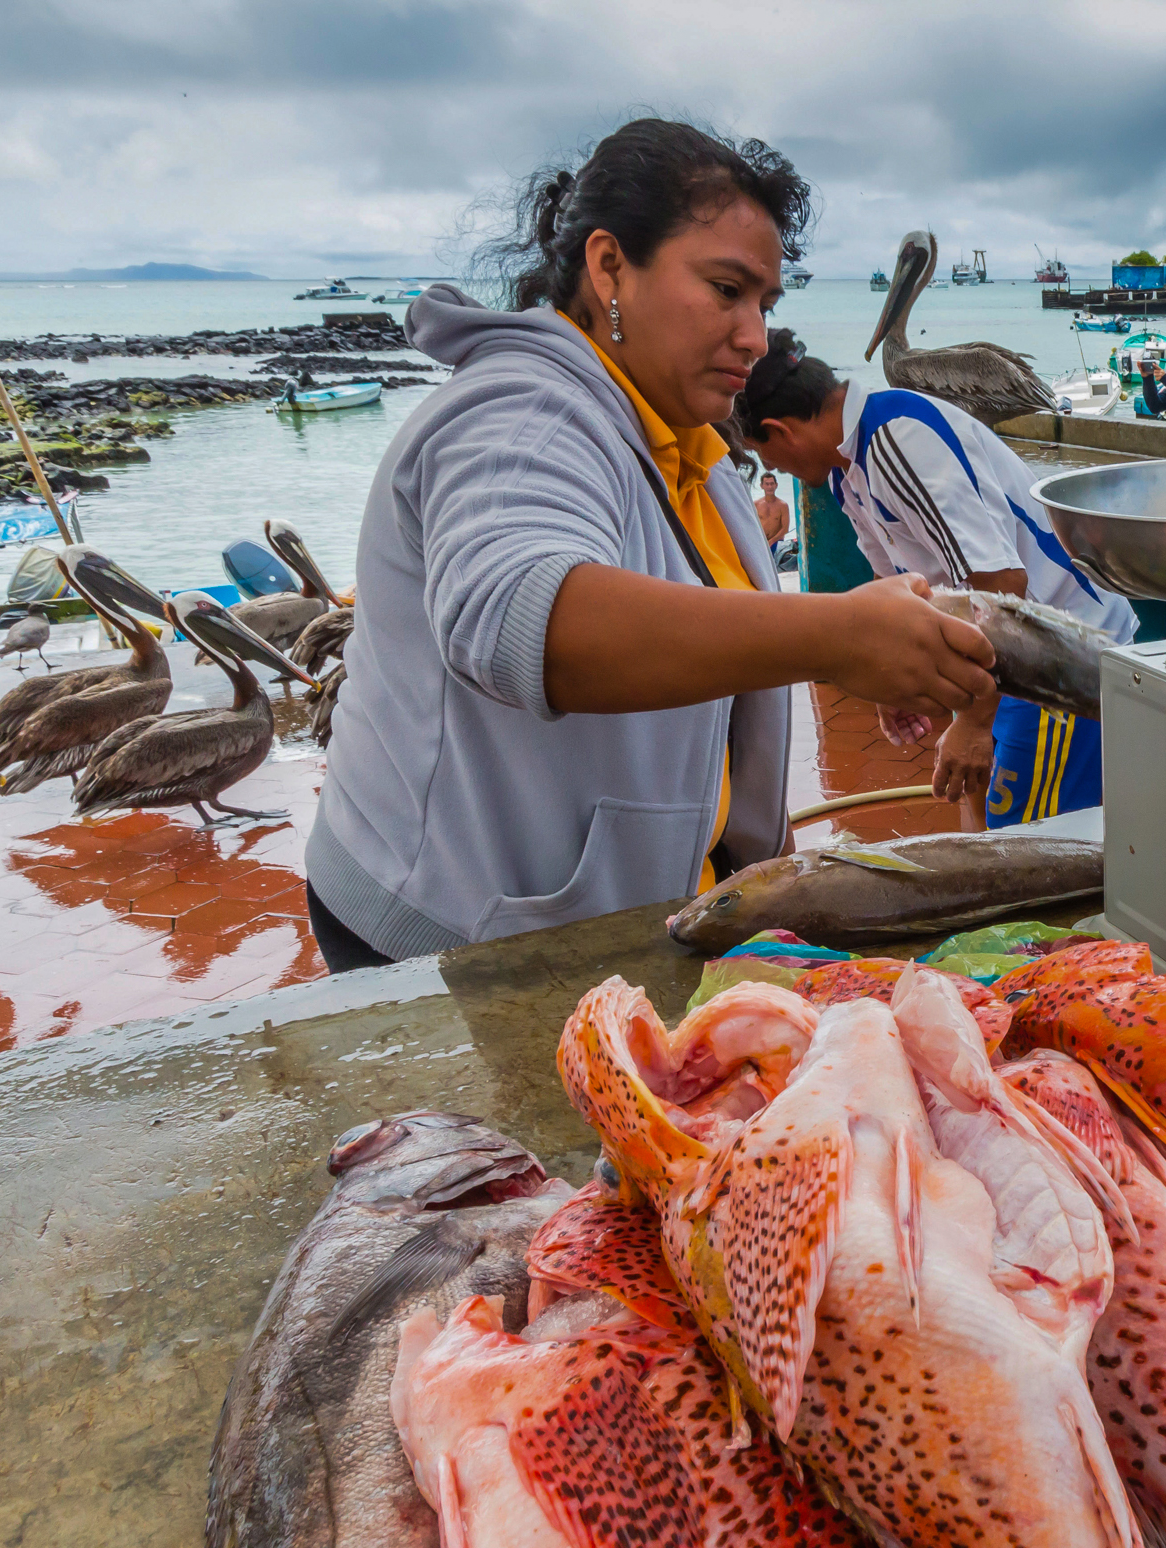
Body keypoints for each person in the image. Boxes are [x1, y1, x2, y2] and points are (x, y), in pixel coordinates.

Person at [305, 118, 995, 971]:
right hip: (455, 942)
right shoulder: (521, 408)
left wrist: (768, 857)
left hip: (641, 918)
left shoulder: (694, 450)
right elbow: (524, 619)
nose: (756, 336)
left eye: (766, 305)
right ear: (608, 268)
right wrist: (838, 637)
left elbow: (723, 679)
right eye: (725, 289)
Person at [739, 333, 1139, 828]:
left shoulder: (898, 438)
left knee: (1029, 842)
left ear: (780, 431)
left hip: (1055, 661)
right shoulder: (849, 471)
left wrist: (973, 723)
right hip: (1002, 660)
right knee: (980, 812)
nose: (771, 468)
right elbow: (907, 593)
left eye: (765, 455)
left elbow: (999, 581)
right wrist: (890, 680)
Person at [753, 469, 791, 552]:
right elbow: (751, 525)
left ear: (776, 485)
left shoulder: (783, 505)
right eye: (767, 484)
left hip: (776, 543)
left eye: (772, 484)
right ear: (761, 486)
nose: (770, 487)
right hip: (760, 542)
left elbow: (785, 529)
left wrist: (771, 542)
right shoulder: (756, 504)